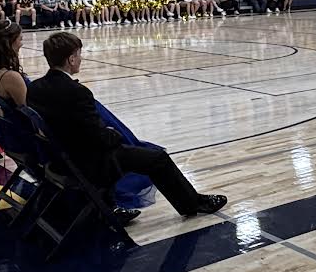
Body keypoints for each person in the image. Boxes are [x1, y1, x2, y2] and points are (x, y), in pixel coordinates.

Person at [26, 32, 228, 217]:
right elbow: (100, 138)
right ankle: (192, 203)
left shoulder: (35, 89)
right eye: (79, 54)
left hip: (60, 158)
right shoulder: (78, 92)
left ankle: (109, 206)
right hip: (88, 163)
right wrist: (114, 134)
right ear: (71, 59)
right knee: (157, 158)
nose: (81, 58)